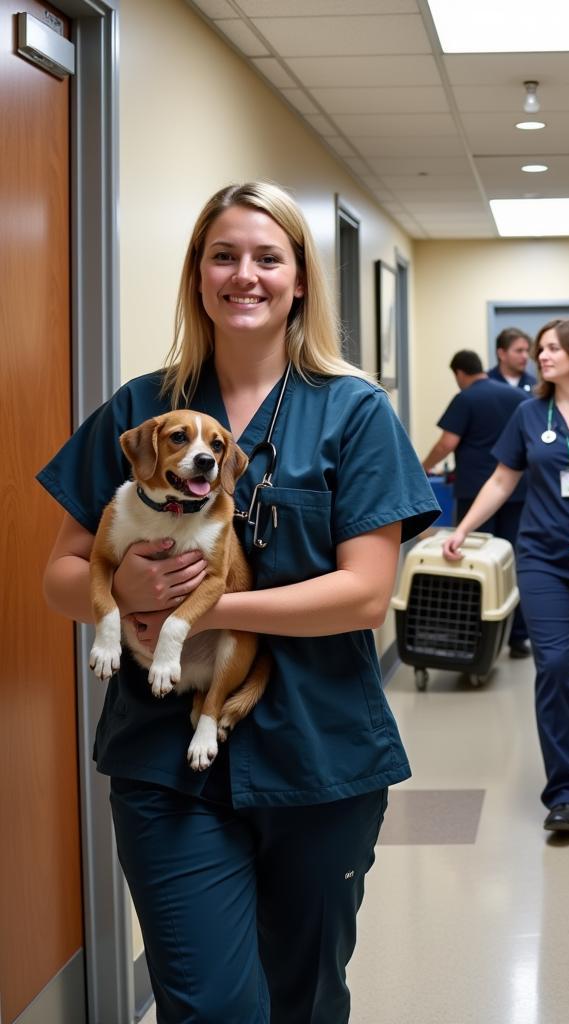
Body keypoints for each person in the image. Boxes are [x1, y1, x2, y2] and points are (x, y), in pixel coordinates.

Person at [38, 181, 438, 1024]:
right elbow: (61, 574)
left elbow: (366, 595)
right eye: (224, 255)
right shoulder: (144, 409)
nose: (244, 275)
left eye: (268, 257)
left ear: (299, 280)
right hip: (163, 759)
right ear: (197, 275)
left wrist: (207, 612)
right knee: (213, 1007)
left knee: (304, 998)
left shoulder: (353, 411)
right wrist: (128, 589)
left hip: (320, 755)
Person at [443, 318, 569, 835]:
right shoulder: (530, 413)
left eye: (552, 348)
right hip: (542, 560)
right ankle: (564, 792)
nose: (542, 356)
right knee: (553, 667)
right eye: (539, 349)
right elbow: (503, 479)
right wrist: (462, 528)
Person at [421, 348, 532, 657]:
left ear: (459, 373)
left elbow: (447, 443)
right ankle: (518, 638)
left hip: (475, 493)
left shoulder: (466, 398)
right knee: (513, 560)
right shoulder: (515, 397)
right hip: (517, 490)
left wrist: (422, 468)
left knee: (474, 562)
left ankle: (478, 637)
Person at [487, 326, 537, 391]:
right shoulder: (487, 381)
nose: (525, 356)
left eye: (527, 351)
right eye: (519, 351)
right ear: (501, 354)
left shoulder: (535, 384)